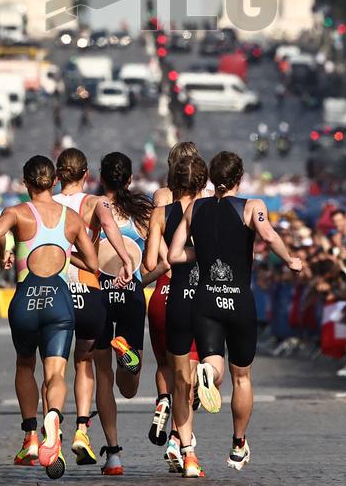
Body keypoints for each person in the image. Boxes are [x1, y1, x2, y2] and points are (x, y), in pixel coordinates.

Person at [169, 151, 302, 474]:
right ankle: (238, 444)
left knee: (212, 362)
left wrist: (200, 255)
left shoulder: (194, 208)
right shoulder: (252, 207)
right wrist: (291, 261)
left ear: (212, 178)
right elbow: (269, 236)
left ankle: (207, 376)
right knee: (241, 376)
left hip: (206, 301)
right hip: (239, 300)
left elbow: (173, 255)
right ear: (239, 178)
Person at [0, 155, 98, 478]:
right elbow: (92, 264)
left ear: (25, 183)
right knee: (56, 374)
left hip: (25, 300)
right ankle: (53, 414)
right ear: (54, 182)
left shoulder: (17, 213)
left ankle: (31, 438)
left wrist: (4, 252)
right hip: (59, 305)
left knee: (25, 365)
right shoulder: (72, 218)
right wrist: (65, 254)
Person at [54, 148, 133, 466]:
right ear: (86, 175)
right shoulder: (94, 203)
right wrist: (126, 261)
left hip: (56, 289)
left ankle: (51, 432)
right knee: (86, 364)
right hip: (88, 290)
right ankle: (82, 430)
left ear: (58, 176)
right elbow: (111, 230)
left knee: (54, 368)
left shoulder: (46, 205)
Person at [145, 151, 209, 476]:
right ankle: (182, 445)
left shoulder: (159, 208)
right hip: (203, 298)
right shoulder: (211, 207)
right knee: (191, 379)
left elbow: (151, 264)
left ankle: (178, 436)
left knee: (169, 370)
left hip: (168, 294)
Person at [94, 152, 152, 475]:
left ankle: (113, 455)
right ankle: (126, 352)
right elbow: (156, 261)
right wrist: (142, 279)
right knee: (129, 387)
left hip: (100, 292)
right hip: (132, 293)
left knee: (103, 376)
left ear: (102, 179)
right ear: (130, 179)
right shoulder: (143, 213)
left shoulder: (94, 208)